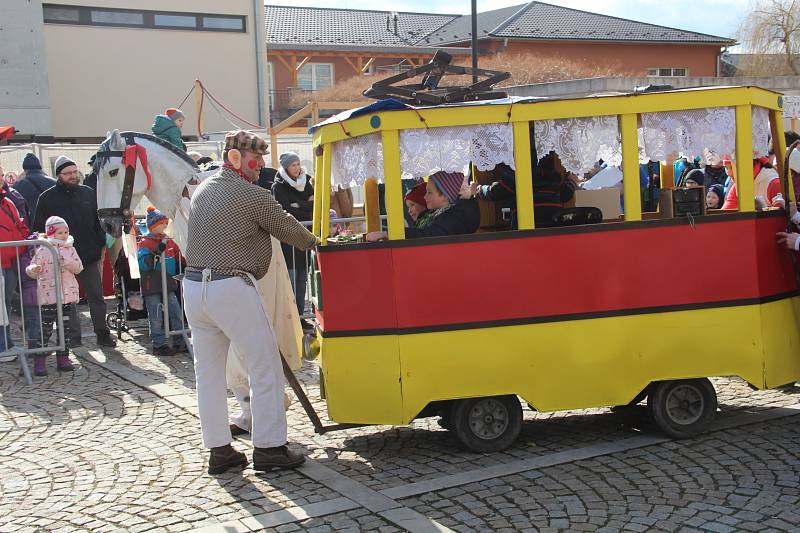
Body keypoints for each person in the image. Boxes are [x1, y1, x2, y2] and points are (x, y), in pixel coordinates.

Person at [183, 130, 317, 474]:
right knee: (265, 366)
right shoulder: (252, 195)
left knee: (208, 375)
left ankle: (220, 451)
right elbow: (290, 230)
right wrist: (319, 242)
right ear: (237, 159)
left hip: (194, 287)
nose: (260, 169)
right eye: (256, 162)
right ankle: (270, 448)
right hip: (230, 286)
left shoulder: (203, 190)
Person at [33, 155, 116, 348]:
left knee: (96, 297)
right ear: (58, 175)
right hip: (60, 260)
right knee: (67, 301)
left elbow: (99, 223)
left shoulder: (88, 193)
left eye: (73, 171)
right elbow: (38, 229)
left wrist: (99, 243)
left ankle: (102, 333)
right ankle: (73, 337)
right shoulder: (46, 198)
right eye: (67, 173)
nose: (72, 176)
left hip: (88, 256)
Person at [25, 216, 82, 376]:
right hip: (49, 297)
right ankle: (40, 361)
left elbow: (78, 267)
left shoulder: (70, 248)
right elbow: (31, 268)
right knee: (45, 330)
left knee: (65, 329)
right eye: (60, 232)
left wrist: (66, 262)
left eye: (66, 232)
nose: (64, 235)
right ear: (51, 234)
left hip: (67, 296)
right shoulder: (44, 249)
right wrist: (33, 269)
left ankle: (63, 358)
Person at [367, 171, 480, 241]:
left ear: (445, 196)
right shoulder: (440, 213)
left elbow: (428, 235)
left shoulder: (453, 218)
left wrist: (389, 234)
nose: (425, 197)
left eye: (429, 192)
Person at [271, 151, 314, 321]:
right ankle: (292, 319)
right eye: (292, 165)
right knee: (292, 279)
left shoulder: (307, 181)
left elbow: (313, 205)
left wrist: (299, 205)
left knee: (303, 278)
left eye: (297, 164)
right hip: (289, 240)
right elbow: (285, 210)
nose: (296, 168)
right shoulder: (278, 186)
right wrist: (304, 206)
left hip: (304, 236)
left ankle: (301, 316)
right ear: (286, 167)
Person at [137, 207, 185, 357]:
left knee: (176, 312)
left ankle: (180, 340)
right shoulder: (145, 243)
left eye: (165, 223)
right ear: (153, 225)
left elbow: (180, 256)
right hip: (152, 285)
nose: (165, 226)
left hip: (168, 283)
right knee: (156, 315)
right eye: (162, 224)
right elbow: (144, 264)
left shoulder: (169, 241)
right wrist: (157, 251)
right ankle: (159, 344)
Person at [0, 185, 29, 359]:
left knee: (6, 304)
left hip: (10, 261)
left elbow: (20, 225)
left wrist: (25, 241)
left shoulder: (8, 202)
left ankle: (6, 343)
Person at [14, 153, 55, 219]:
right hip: (52, 223)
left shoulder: (17, 186)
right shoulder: (54, 183)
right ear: (40, 167)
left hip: (30, 224)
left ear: (25, 170)